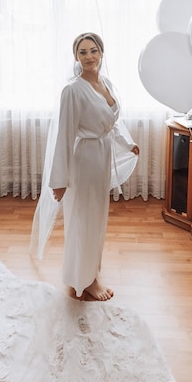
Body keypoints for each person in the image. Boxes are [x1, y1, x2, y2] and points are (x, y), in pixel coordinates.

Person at [30, 32, 139, 301]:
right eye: (82, 52)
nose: (88, 56)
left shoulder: (107, 83)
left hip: (101, 158)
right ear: (75, 57)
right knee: (82, 220)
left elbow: (111, 123)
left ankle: (92, 272)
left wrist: (127, 144)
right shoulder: (72, 91)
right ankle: (84, 280)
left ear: (102, 53)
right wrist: (59, 180)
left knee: (96, 219)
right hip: (85, 161)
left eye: (93, 51)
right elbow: (64, 135)